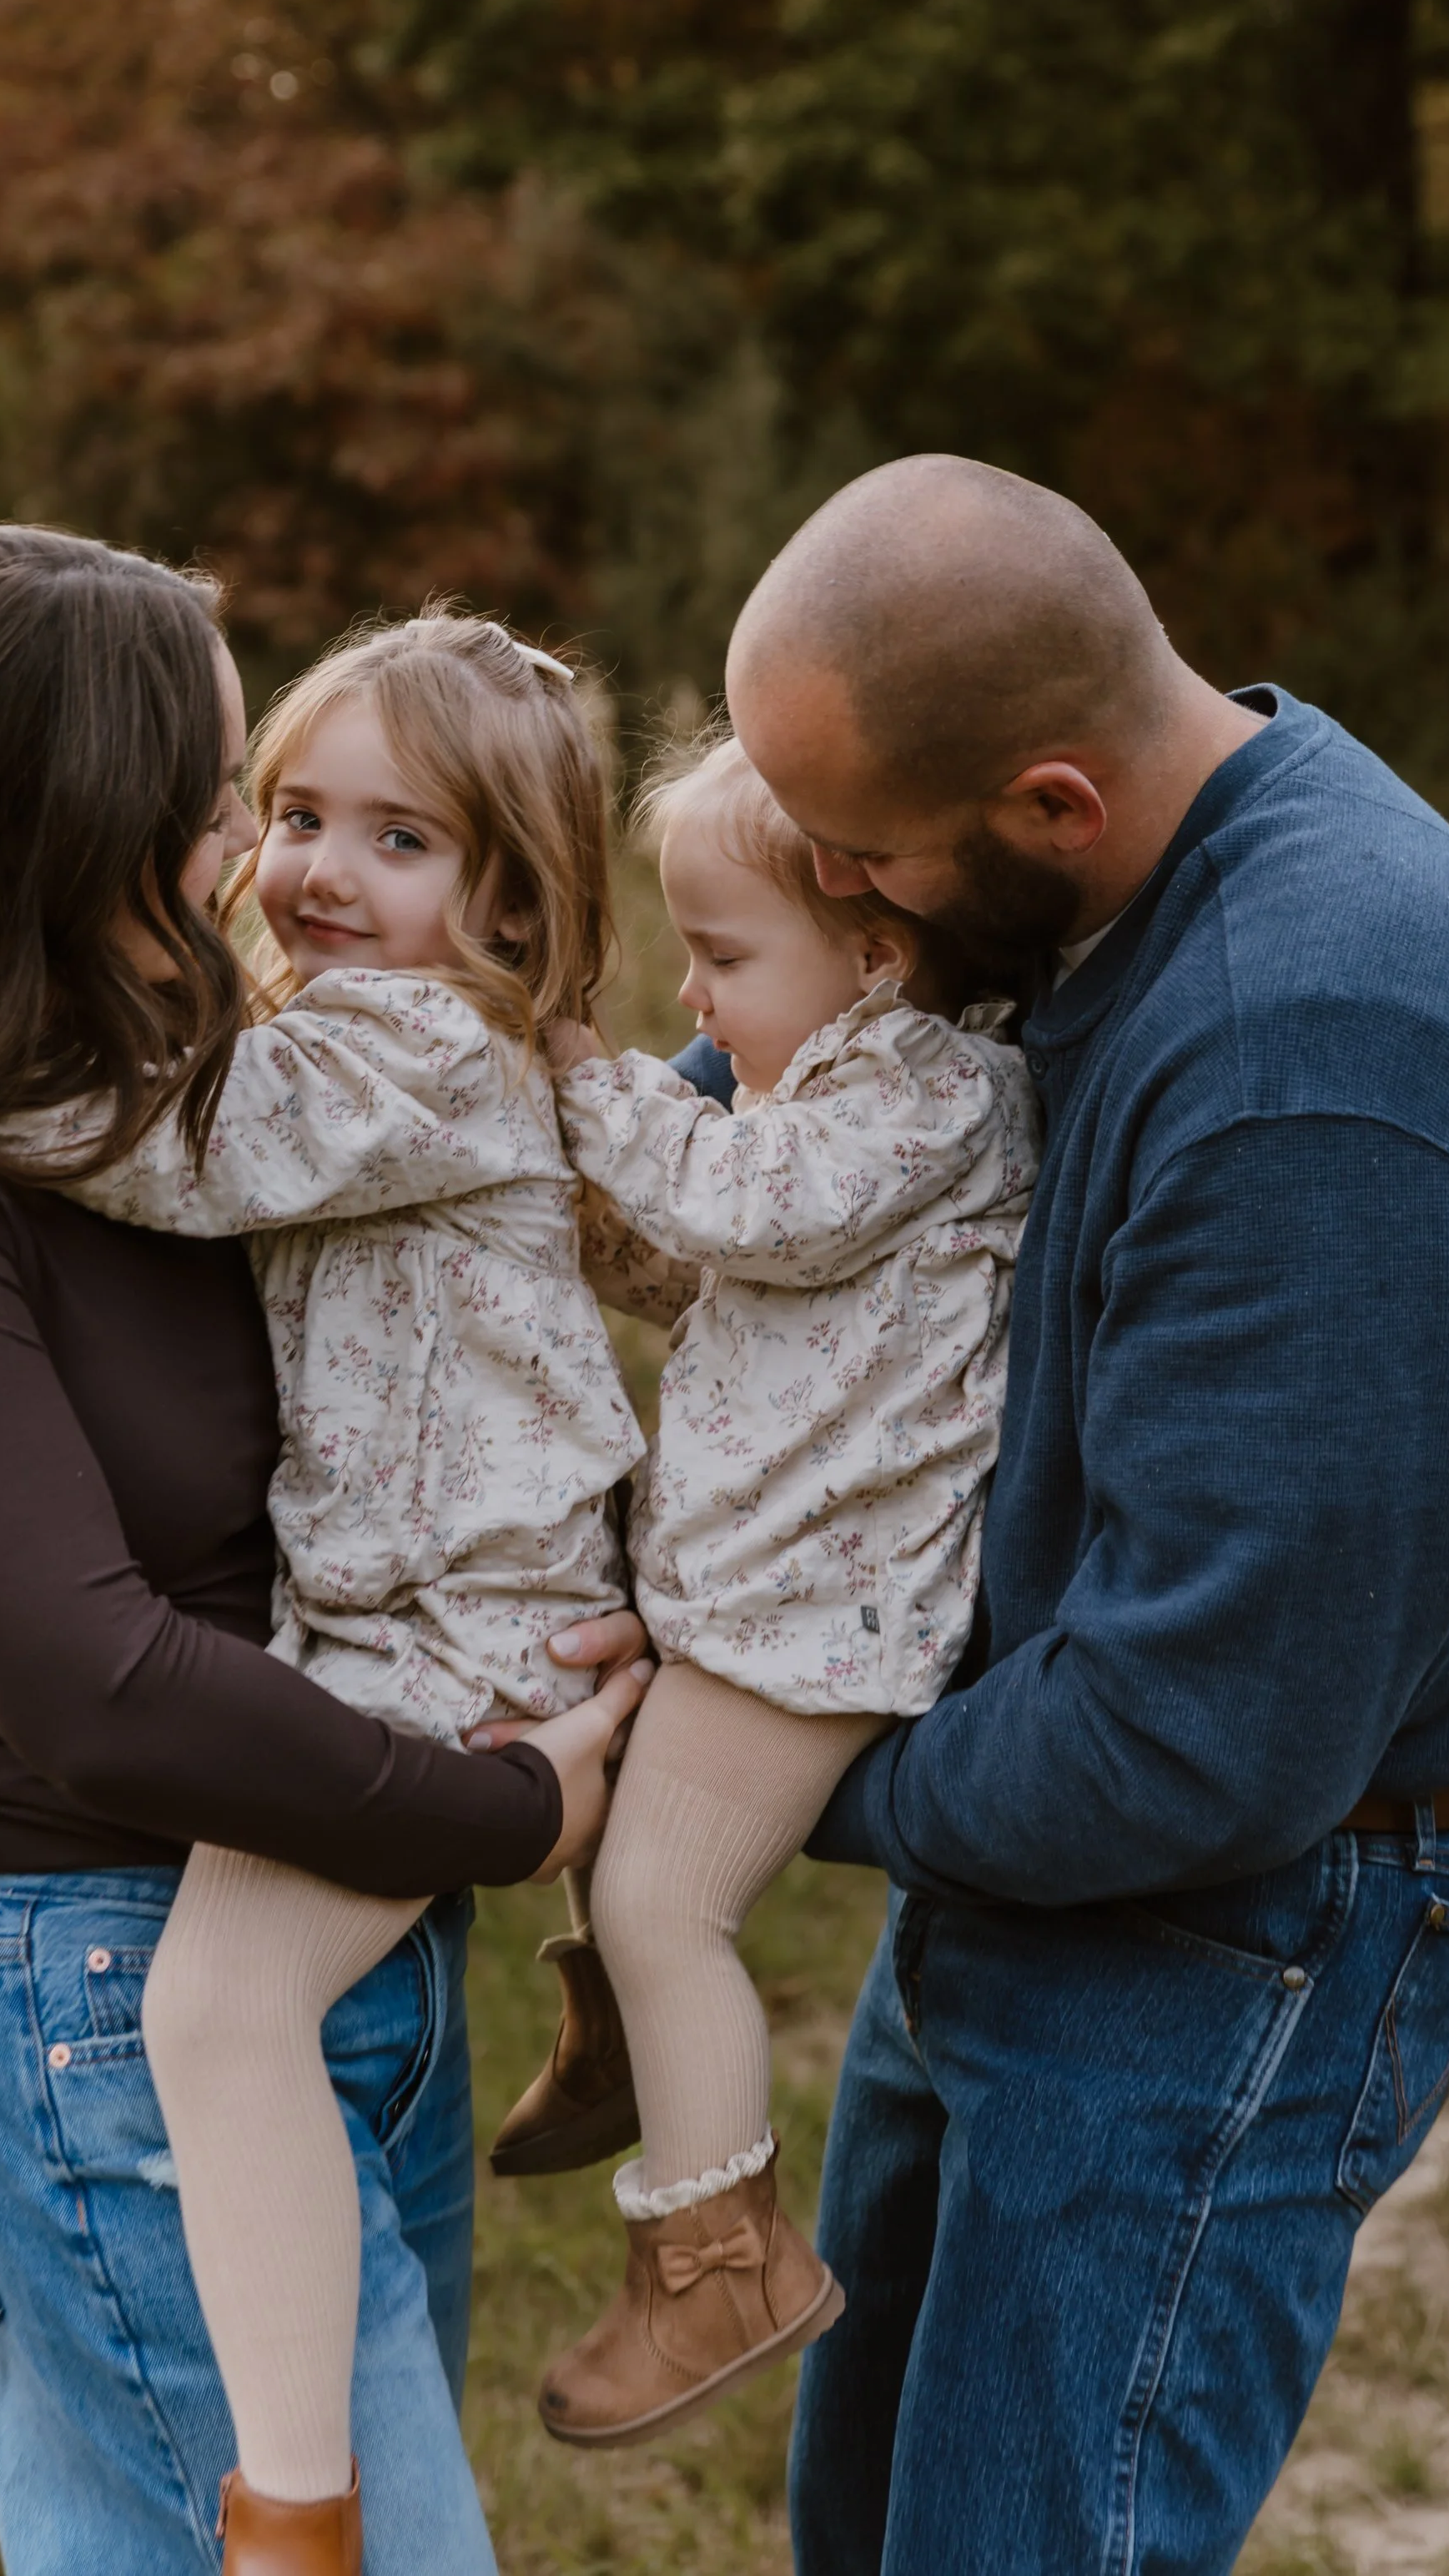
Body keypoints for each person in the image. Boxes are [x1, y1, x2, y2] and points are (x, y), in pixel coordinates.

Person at [0, 528, 647, 2576]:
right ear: (63, 815)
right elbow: (95, 1685)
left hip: (334, 1930)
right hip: (107, 1994)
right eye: (219, 794)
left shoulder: (174, 1090)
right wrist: (499, 1808)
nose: (245, 847)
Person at [717, 455, 1449, 2575]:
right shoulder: (1151, 870)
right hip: (1064, 1860)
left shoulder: (1314, 1056)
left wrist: (744, 1786)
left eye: (866, 861)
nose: (849, 907)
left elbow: (1197, 1737)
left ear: (1048, 805)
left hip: (1238, 1924)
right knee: (874, 2527)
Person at [5, 611, 655, 2568]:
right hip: (416, 1604)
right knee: (251, 2011)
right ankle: (628, 1971)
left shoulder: (416, 1048)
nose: (316, 870)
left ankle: (291, 2510)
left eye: (402, 840)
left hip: (448, 1628)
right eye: (294, 814)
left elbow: (175, 1151)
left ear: (510, 899)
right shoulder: (391, 1033)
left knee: (213, 2014)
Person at [505, 731, 1038, 2448]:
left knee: (674, 1908)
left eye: (721, 958)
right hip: (757, 1584)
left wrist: (588, 1075)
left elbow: (752, 1208)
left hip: (821, 1616)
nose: (688, 993)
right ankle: (634, 2057)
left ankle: (717, 2260)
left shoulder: (932, 1093)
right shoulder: (826, 1096)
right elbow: (706, 1266)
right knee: (591, 1797)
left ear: (873, 955)